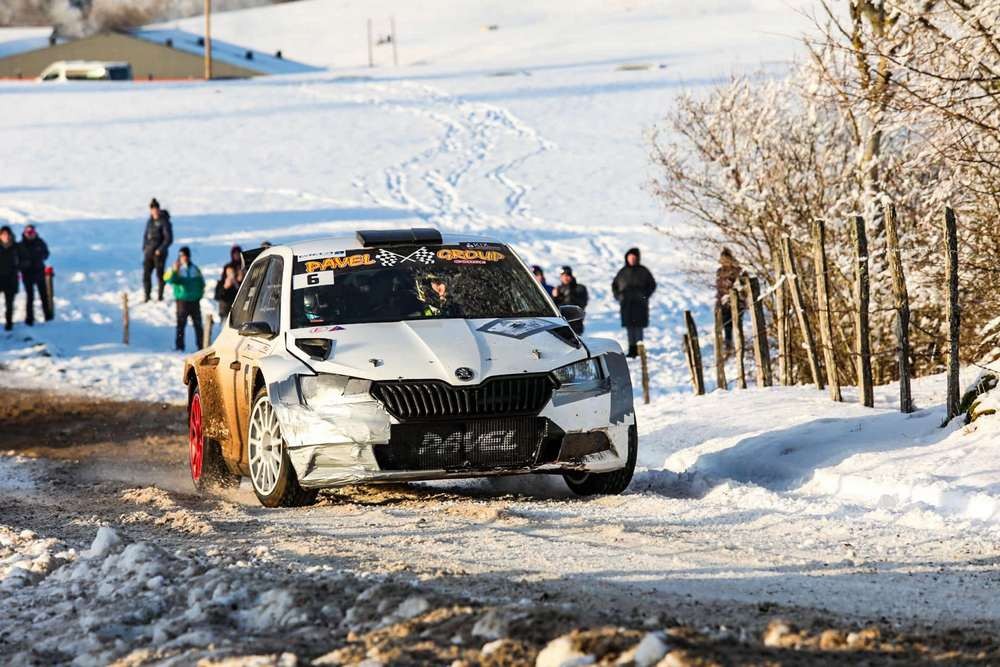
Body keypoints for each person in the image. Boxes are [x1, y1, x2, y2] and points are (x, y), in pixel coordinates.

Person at [612, 247, 657, 358]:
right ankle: (631, 350)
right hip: (626, 304)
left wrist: (644, 295)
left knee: (638, 327)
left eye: (634, 258)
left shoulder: (643, 271)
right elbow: (615, 286)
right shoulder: (622, 272)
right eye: (630, 257)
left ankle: (639, 350)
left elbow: (652, 285)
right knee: (629, 327)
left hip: (640, 304)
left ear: (637, 258)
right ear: (627, 258)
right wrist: (619, 296)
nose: (632, 260)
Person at [164, 246, 205, 351]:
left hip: (195, 301)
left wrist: (199, 294)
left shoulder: (194, 269)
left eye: (185, 255)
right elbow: (168, 280)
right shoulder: (176, 268)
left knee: (198, 326)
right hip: (182, 301)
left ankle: (201, 346)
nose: (184, 258)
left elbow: (201, 283)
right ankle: (179, 347)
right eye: (182, 256)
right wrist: (174, 271)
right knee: (181, 325)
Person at [17, 224, 52, 325]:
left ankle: (48, 316)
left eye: (31, 232)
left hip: (39, 272)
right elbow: (17, 260)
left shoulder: (40, 242)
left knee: (44, 296)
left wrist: (41, 256)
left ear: (35, 233)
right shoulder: (21, 245)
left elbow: (46, 254)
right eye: (28, 232)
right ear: (24, 233)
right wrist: (23, 264)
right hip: (27, 274)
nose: (30, 234)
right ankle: (29, 319)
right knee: (30, 297)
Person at [142, 198, 173, 302]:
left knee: (160, 275)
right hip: (148, 252)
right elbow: (145, 236)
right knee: (146, 274)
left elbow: (168, 238)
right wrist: (144, 247)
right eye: (152, 209)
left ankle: (160, 295)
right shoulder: (149, 221)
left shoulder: (164, 222)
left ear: (158, 209)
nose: (154, 211)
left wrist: (160, 249)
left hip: (159, 253)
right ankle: (147, 295)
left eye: (156, 208)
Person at [715, 247, 743, 353]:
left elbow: (739, 286)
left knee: (736, 324)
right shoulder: (720, 272)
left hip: (737, 302)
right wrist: (719, 301)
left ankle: (740, 345)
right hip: (724, 301)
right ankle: (728, 345)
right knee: (726, 324)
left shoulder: (737, 270)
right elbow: (719, 288)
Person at [552, 265, 589, 334]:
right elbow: (554, 308)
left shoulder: (580, 288)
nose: (565, 277)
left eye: (567, 275)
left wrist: (570, 290)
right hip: (560, 326)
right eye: (563, 275)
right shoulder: (558, 289)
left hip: (575, 326)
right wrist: (555, 297)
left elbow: (580, 305)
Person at [214, 245, 244, 320]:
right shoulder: (224, 281)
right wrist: (225, 286)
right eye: (234, 254)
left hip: (241, 308)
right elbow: (218, 296)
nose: (236, 255)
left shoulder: (244, 269)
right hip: (226, 309)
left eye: (238, 253)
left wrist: (240, 282)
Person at [0, 226, 18, 332]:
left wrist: (17, 268)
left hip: (11, 279)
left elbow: (23, 260)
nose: (5, 236)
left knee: (9, 303)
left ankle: (9, 323)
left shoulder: (16, 247)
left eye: (7, 234)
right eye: (3, 234)